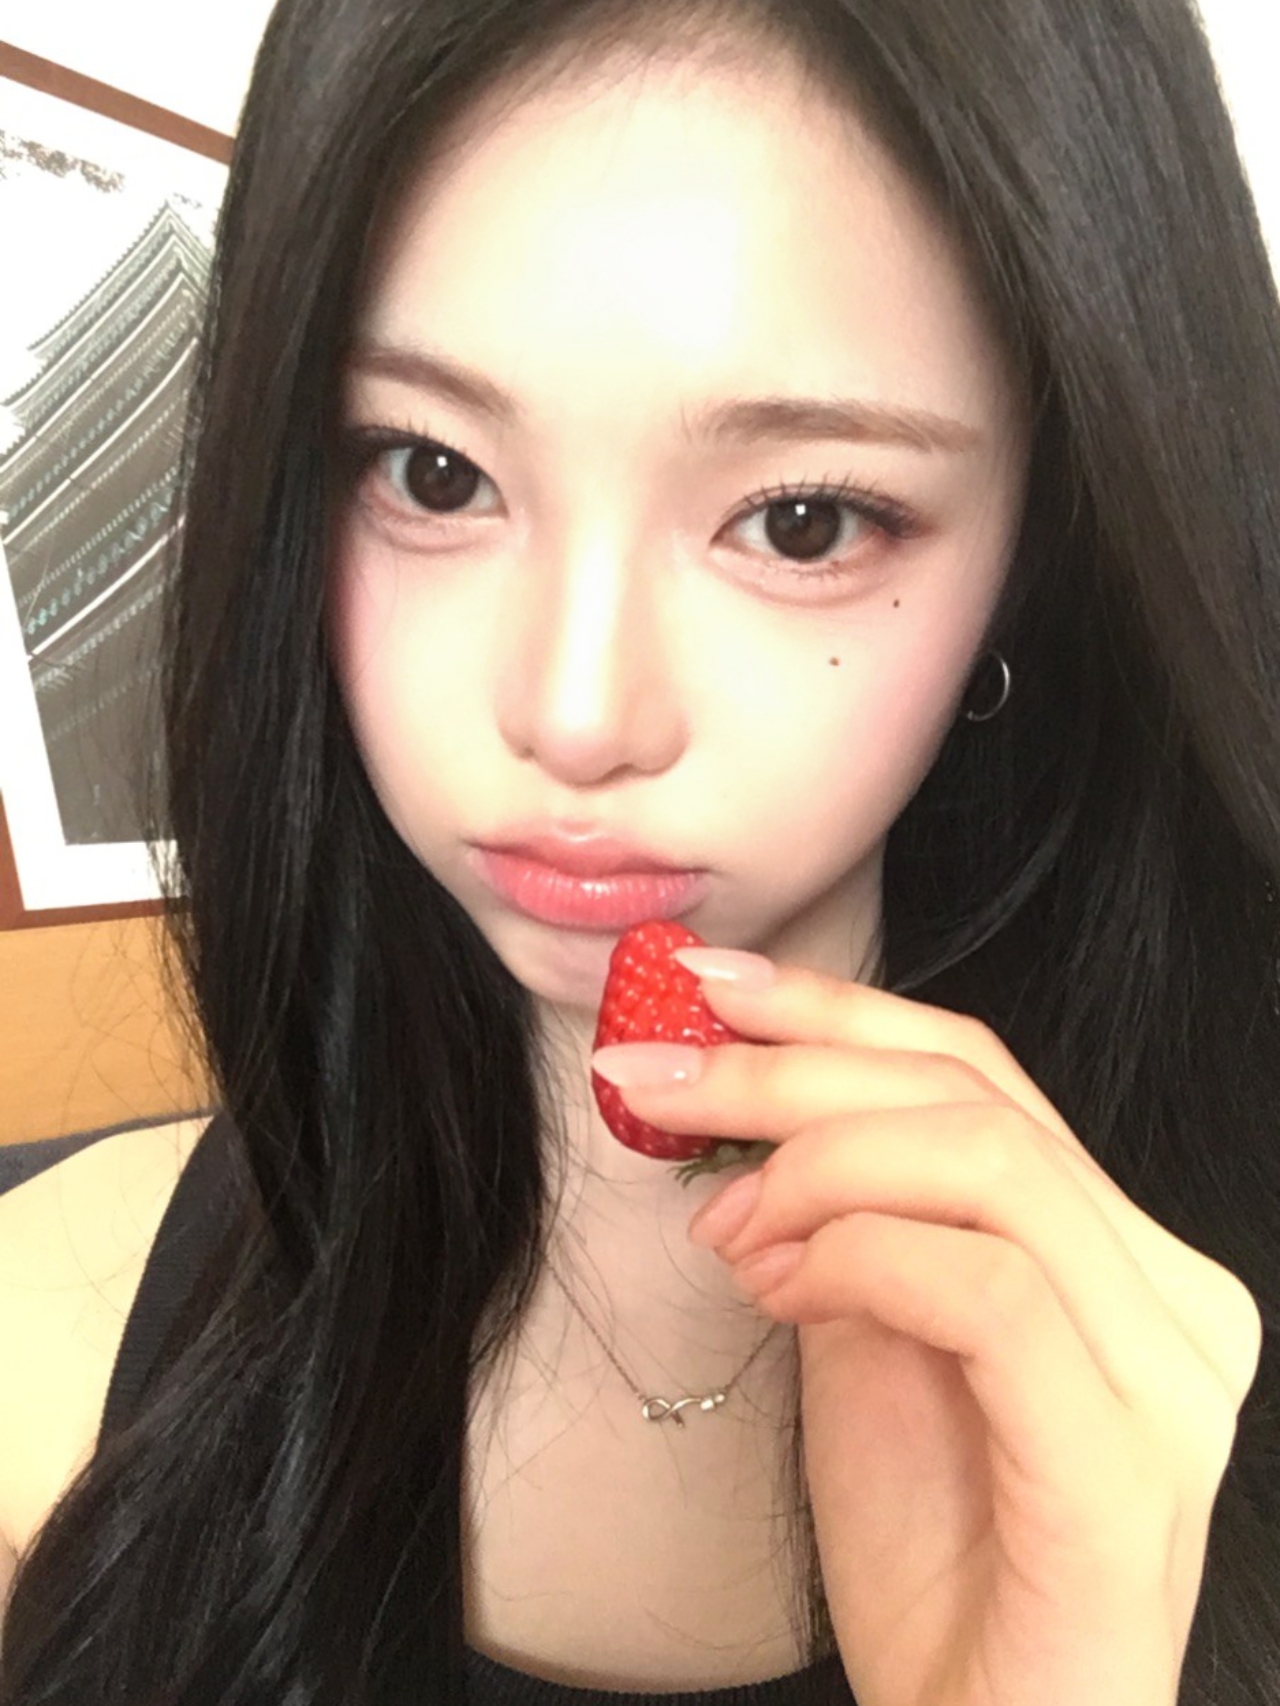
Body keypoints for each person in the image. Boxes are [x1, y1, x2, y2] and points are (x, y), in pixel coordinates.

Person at [1, 0, 1278, 1699]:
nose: (576, 711)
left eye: (803, 519)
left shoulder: (1199, 1381)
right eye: (433, 473)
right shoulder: (54, 1323)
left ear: (1038, 555)